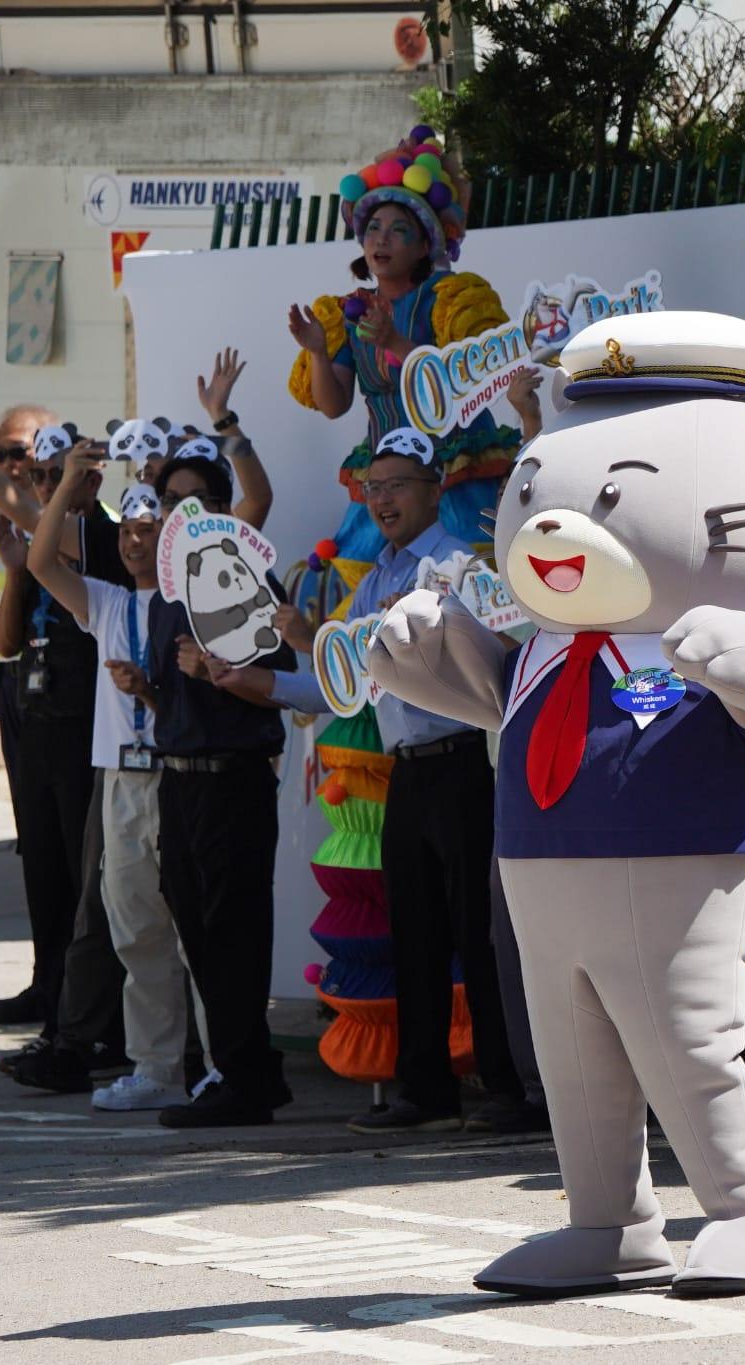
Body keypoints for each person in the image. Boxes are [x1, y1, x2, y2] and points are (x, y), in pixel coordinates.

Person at [257, 428, 540, 1134]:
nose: (380, 500)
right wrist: (262, 675)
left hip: (464, 763)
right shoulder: (377, 576)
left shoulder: (453, 566)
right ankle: (427, 1087)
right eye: (371, 487)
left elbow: (498, 655)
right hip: (404, 773)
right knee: (409, 929)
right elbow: (339, 684)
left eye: (395, 485)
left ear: (432, 488)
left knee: (480, 934)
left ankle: (508, 1088)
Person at [0, 412, 131, 1076]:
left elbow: (14, 500)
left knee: (88, 884)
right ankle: (58, 1010)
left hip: (89, 730)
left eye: (56, 472)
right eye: (39, 472)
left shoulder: (99, 537)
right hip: (38, 716)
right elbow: (5, 642)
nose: (43, 485)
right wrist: (17, 571)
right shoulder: (41, 540)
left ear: (91, 475)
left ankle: (94, 1028)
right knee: (44, 868)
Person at [24, 447, 210, 1110]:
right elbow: (41, 561)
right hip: (121, 781)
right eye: (127, 530)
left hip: (179, 775)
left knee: (196, 928)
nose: (135, 540)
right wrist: (69, 483)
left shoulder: (193, 599)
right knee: (133, 924)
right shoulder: (104, 602)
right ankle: (156, 1065)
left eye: (148, 529)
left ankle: (215, 1065)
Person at [143, 452, 298, 1127]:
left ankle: (244, 1075)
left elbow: (282, 680)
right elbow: (168, 698)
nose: (186, 510)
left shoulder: (246, 578)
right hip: (178, 781)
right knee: (194, 922)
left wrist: (221, 674)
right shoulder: (162, 597)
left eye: (199, 497)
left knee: (236, 929)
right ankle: (244, 1067)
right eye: (173, 498)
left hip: (235, 779)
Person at [286, 126, 515, 563]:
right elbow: (335, 405)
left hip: (453, 476)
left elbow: (458, 386)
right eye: (372, 228)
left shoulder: (448, 300)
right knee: (363, 574)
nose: (381, 239)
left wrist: (394, 341)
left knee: (466, 574)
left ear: (425, 243)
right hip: (386, 471)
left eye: (397, 229)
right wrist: (317, 350)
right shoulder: (348, 313)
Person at [0, 405, 56, 1029]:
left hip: (74, 691)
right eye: (3, 454)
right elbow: (5, 621)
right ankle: (46, 979)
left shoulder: (85, 520)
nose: (13, 465)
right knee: (36, 843)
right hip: (18, 682)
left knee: (73, 849)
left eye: (23, 452)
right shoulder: (0, 520)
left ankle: (74, 992)